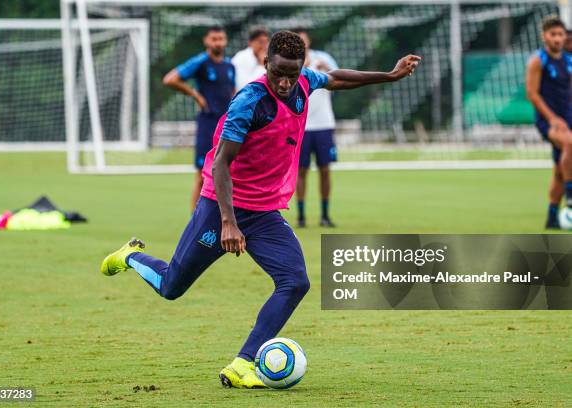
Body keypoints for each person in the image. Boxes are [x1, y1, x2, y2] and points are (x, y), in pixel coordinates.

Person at [101, 31, 420, 389]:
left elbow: (336, 78)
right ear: (265, 63)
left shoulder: (303, 82)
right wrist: (228, 223)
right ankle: (130, 256)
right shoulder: (249, 102)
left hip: (264, 211)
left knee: (295, 281)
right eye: (278, 73)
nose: (285, 82)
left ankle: (242, 363)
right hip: (220, 205)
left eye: (292, 74)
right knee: (172, 286)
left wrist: (389, 75)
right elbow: (221, 163)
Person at [163, 25, 235, 211]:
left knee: (230, 174)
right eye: (214, 39)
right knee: (203, 176)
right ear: (206, 41)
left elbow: (232, 91)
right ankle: (195, 221)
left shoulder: (229, 66)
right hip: (208, 124)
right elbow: (170, 79)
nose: (218, 42)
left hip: (228, 127)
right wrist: (196, 95)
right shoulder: (200, 62)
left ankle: (222, 218)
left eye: (221, 39)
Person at [526, 16, 572, 229]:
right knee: (570, 144)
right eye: (552, 34)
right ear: (544, 36)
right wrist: (552, 119)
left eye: (560, 34)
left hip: (567, 117)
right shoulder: (538, 60)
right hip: (549, 121)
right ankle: (570, 199)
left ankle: (552, 218)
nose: (557, 38)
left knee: (559, 169)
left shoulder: (569, 60)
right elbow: (532, 94)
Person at [295, 28, 339, 227]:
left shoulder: (322, 58)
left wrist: (326, 67)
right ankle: (302, 215)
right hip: (301, 127)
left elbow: (339, 80)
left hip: (323, 124)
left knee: (325, 169)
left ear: (308, 41)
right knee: (301, 171)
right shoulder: (289, 63)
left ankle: (325, 214)